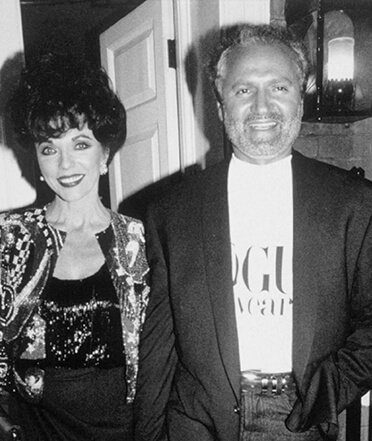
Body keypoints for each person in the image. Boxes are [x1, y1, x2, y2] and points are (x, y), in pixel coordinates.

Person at [134, 24, 372, 441]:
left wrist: (328, 389)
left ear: (301, 96)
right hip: (196, 422)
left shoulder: (354, 204)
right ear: (220, 105)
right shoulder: (170, 212)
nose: (262, 106)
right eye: (244, 90)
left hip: (297, 419)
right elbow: (158, 349)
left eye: (279, 87)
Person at [0, 52, 149, 441]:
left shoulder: (138, 238)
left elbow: (157, 355)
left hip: (123, 429)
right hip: (38, 428)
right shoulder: (8, 236)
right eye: (49, 148)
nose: (65, 164)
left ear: (105, 153)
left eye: (80, 144)